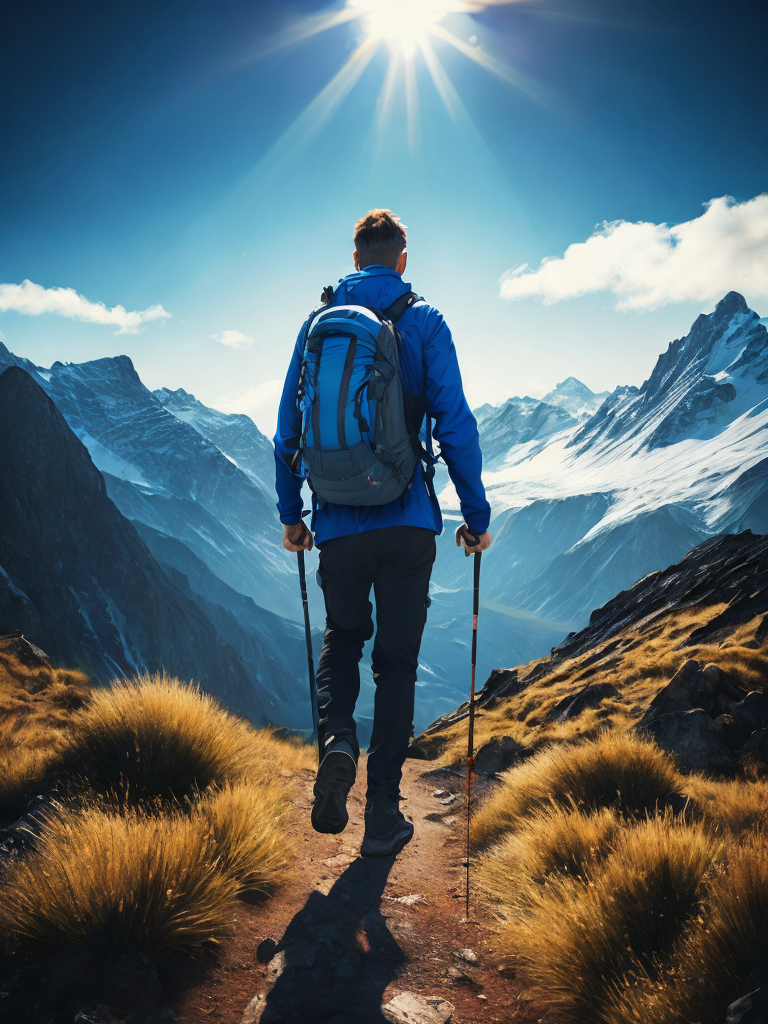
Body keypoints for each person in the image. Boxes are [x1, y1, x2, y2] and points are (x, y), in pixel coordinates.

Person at [274, 209, 492, 857]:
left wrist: (294, 516)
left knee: (342, 640)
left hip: (337, 521)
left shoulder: (318, 328)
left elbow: (287, 430)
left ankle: (338, 739)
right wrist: (475, 518)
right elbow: (455, 425)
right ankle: (383, 813)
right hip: (408, 523)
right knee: (396, 665)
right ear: (402, 258)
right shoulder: (424, 321)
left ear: (354, 257)